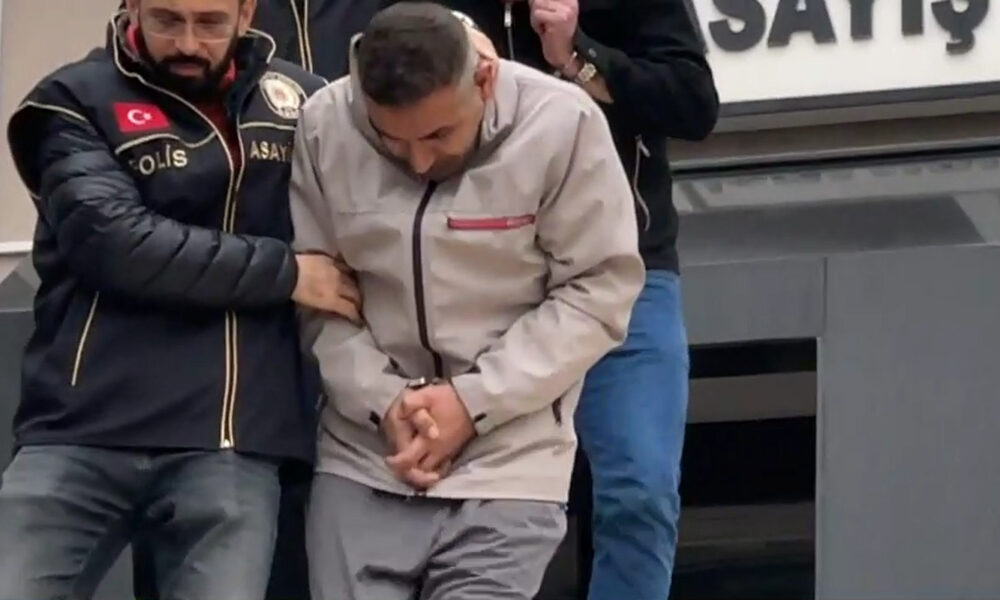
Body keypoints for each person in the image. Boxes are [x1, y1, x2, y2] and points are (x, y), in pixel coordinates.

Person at [0, 1, 358, 598]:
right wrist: (289, 272)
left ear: (247, 12)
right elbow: (116, 243)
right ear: (133, 6)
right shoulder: (72, 98)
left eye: (210, 22)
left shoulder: (309, 101)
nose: (188, 43)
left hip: (235, 439)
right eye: (166, 19)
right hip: (82, 428)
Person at [290, 3, 645, 599]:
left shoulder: (563, 122)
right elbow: (319, 294)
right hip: (364, 456)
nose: (418, 161)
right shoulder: (324, 122)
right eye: (390, 138)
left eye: (437, 134)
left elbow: (598, 289)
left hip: (510, 461)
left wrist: (472, 402)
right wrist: (384, 401)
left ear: (484, 78)